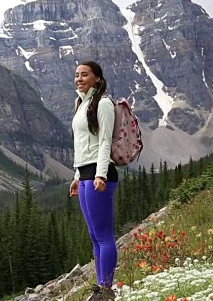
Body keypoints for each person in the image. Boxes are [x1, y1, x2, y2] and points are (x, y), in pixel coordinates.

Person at [69, 61, 118, 301]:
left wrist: (101, 174)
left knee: (104, 234)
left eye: (84, 75)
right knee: (94, 235)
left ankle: (107, 289)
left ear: (97, 78)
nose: (79, 78)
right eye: (77, 75)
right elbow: (82, 144)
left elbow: (105, 142)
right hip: (86, 173)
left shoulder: (104, 103)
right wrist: (77, 176)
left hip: (100, 174)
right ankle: (101, 288)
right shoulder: (80, 103)